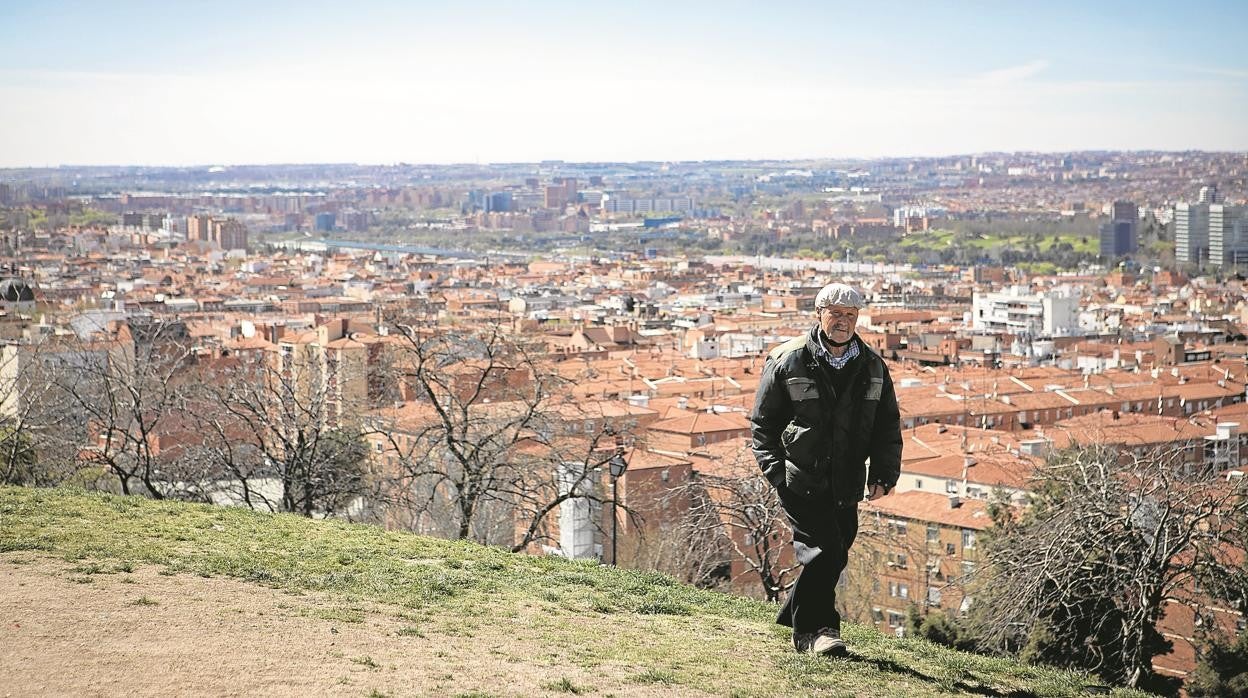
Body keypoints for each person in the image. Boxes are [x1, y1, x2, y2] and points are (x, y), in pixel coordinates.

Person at [749, 282, 902, 656]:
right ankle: (814, 632)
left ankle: (794, 611)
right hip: (801, 477)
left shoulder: (872, 367)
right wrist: (776, 473)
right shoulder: (788, 359)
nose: (843, 322)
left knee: (837, 551)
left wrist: (884, 473)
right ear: (819, 315)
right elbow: (762, 425)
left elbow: (887, 427)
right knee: (826, 553)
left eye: (851, 315)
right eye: (836, 313)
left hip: (847, 479)